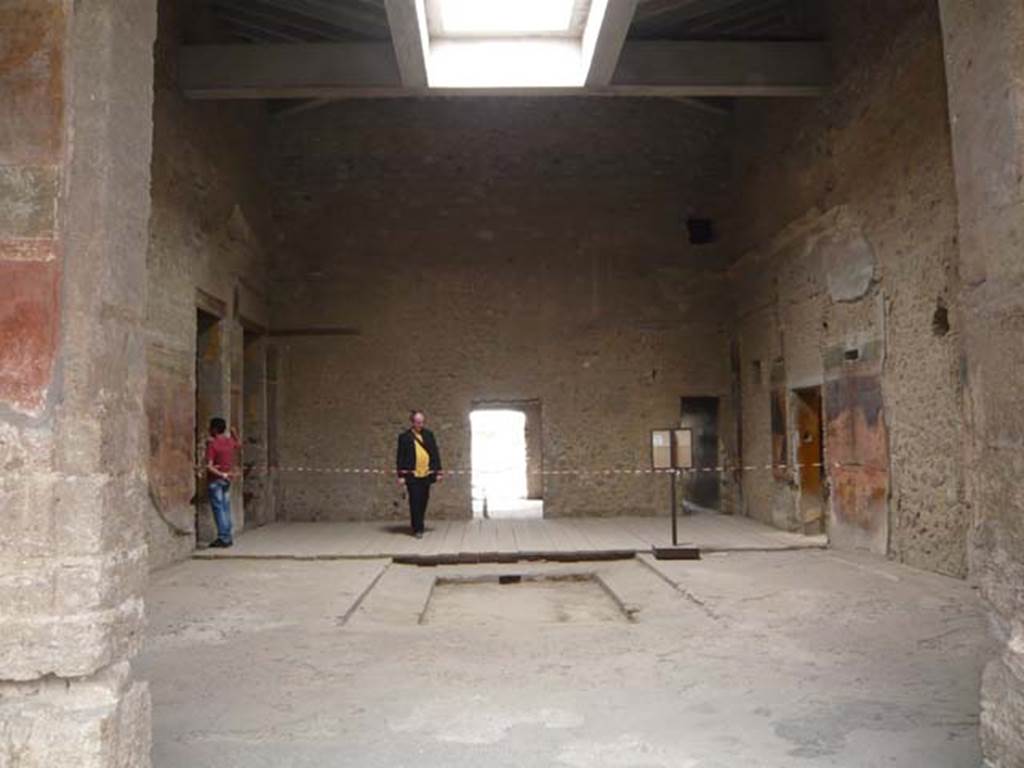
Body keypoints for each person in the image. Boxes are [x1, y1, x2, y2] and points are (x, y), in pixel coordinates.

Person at [395, 410, 443, 538]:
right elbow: (400, 457)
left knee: (423, 500)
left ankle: (420, 522)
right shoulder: (404, 437)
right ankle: (417, 528)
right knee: (415, 500)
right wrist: (401, 475)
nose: (420, 424)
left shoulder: (429, 435)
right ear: (412, 422)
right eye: (418, 422)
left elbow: (435, 453)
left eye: (422, 422)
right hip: (412, 475)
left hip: (426, 474)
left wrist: (438, 471)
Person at [205, 417, 241, 548]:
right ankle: (228, 535)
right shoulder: (229, 442)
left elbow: (209, 466)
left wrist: (221, 474)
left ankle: (223, 537)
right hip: (227, 480)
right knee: (225, 508)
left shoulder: (213, 444)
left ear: (214, 429)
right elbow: (239, 444)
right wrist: (234, 433)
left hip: (216, 480)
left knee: (219, 509)